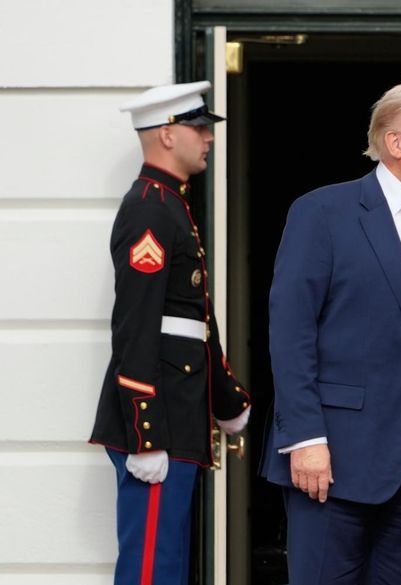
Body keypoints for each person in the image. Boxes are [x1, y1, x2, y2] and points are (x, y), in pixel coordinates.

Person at [260, 80, 401, 584]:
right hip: (331, 461)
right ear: (395, 142)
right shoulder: (322, 212)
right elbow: (291, 331)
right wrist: (304, 436)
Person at [89, 81, 252, 584]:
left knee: (168, 567)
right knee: (150, 572)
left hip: (179, 416)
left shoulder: (171, 205)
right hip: (159, 421)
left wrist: (225, 400)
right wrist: (146, 434)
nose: (207, 139)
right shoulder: (150, 209)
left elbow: (194, 320)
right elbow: (135, 326)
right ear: (166, 134)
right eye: (198, 128)